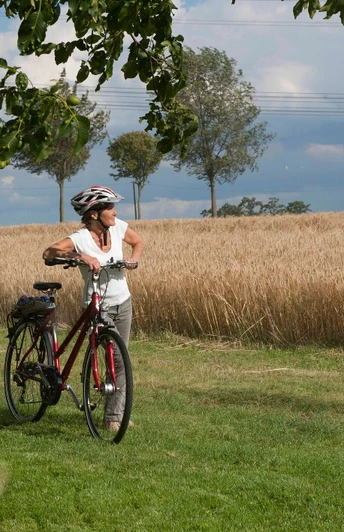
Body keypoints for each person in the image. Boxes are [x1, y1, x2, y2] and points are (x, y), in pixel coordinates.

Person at [43, 185, 143, 430]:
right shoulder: (80, 238)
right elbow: (49, 252)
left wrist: (134, 259)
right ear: (95, 213)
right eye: (110, 207)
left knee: (121, 359)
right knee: (114, 359)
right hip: (97, 305)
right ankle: (112, 419)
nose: (115, 212)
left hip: (123, 302)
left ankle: (114, 417)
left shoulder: (118, 228)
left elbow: (138, 242)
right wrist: (81, 257)